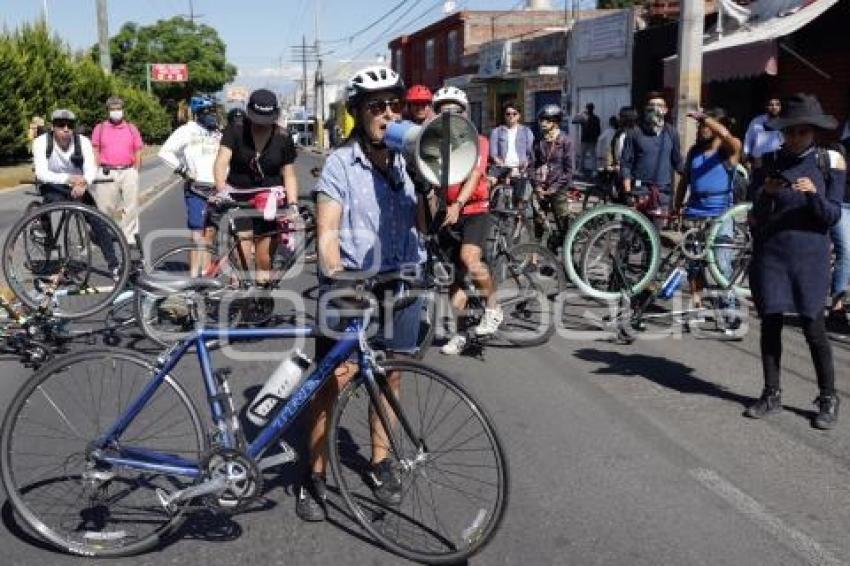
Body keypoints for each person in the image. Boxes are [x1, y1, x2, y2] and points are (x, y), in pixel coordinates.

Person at [299, 65, 429, 521]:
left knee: (390, 378)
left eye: (395, 105)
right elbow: (327, 231)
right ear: (358, 114)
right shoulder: (340, 164)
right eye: (377, 107)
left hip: (399, 284)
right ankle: (314, 473)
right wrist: (337, 275)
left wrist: (430, 180)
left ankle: (378, 461)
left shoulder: (409, 161)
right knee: (332, 381)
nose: (389, 114)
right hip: (351, 285)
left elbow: (427, 226)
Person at [745, 93, 845, 429]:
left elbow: (831, 215)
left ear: (814, 131)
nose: (795, 138)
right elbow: (754, 215)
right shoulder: (769, 159)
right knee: (770, 323)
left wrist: (812, 195)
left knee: (813, 328)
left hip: (810, 256)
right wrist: (767, 194)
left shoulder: (828, 161)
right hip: (772, 252)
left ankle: (828, 397)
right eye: (789, 132)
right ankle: (771, 393)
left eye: (802, 132)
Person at [429, 86, 503, 355]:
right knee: (454, 280)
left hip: (473, 209)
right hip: (448, 212)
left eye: (454, 110)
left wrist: (459, 203)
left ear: (465, 112)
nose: (449, 115)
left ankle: (494, 309)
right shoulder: (435, 144)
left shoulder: (478, 140)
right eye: (443, 111)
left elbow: (473, 175)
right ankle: (460, 335)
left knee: (470, 258)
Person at [213, 89, 299, 286]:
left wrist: (293, 205)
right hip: (238, 197)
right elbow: (221, 162)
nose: (261, 125)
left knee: (263, 258)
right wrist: (222, 190)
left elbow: (289, 174)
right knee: (242, 253)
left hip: (269, 201)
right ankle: (239, 289)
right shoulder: (235, 130)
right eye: (257, 119)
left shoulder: (283, 137)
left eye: (266, 120)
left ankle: (260, 299)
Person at [672, 107, 742, 327]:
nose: (702, 129)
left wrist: (704, 117)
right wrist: (677, 208)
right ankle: (697, 304)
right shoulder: (694, 152)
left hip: (721, 215)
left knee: (722, 263)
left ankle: (729, 307)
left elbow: (726, 137)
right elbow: (684, 182)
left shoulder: (731, 150)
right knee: (694, 263)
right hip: (694, 213)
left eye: (706, 125)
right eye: (701, 126)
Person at [32, 109, 120, 274]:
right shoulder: (41, 142)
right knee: (54, 204)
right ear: (53, 127)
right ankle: (44, 226)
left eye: (70, 125)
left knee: (97, 220)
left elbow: (91, 169)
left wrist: (84, 182)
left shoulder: (83, 142)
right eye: (60, 125)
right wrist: (68, 179)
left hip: (79, 185)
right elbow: (41, 173)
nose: (66, 129)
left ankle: (114, 265)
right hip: (53, 183)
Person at [158, 95, 222, 276]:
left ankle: (206, 273)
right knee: (197, 234)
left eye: (212, 111)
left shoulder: (217, 132)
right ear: (198, 113)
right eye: (206, 111)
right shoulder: (187, 130)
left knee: (210, 233)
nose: (210, 114)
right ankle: (194, 275)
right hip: (197, 188)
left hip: (217, 188)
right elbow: (165, 152)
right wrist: (183, 170)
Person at [620, 92, 684, 228]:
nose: (655, 109)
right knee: (631, 233)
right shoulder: (634, 133)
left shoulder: (672, 133)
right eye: (651, 106)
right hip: (639, 192)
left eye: (659, 105)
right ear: (645, 110)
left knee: (655, 235)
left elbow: (678, 162)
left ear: (666, 110)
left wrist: (692, 176)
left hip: (662, 194)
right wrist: (627, 191)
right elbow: (626, 163)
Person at [91, 95, 145, 244]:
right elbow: (95, 149)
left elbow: (138, 149)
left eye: (118, 109)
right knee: (105, 206)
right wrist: (96, 170)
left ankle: (129, 236)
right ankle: (106, 234)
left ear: (123, 110)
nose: (116, 111)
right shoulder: (100, 128)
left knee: (131, 205)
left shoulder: (131, 128)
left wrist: (136, 169)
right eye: (113, 109)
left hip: (128, 171)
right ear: (108, 111)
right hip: (107, 171)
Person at [532, 104, 575, 238]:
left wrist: (554, 188)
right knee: (538, 224)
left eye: (547, 120)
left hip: (558, 188)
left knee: (564, 227)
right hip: (541, 188)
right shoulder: (539, 141)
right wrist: (537, 186)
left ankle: (568, 254)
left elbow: (569, 171)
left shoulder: (566, 141)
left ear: (556, 123)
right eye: (542, 120)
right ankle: (534, 256)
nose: (543, 123)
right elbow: (531, 165)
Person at [743, 97, 784, 168]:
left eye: (777, 105)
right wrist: (745, 158)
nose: (774, 107)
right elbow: (748, 139)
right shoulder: (757, 121)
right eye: (771, 105)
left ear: (780, 107)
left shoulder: (785, 122)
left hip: (777, 161)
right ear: (766, 106)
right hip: (758, 161)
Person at [573, 103, 601, 175]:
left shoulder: (583, 117)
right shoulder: (596, 118)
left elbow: (574, 120)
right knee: (593, 156)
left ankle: (580, 171)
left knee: (582, 156)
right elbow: (599, 130)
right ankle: (594, 171)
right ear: (593, 108)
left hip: (585, 140)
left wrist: (580, 113)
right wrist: (596, 138)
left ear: (586, 108)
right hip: (592, 140)